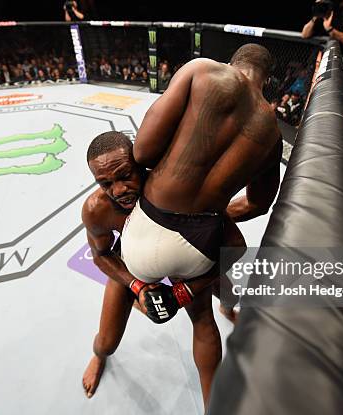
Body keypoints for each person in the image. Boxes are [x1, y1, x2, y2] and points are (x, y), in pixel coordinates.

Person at [120, 43, 282, 403]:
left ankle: (110, 337)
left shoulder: (203, 71)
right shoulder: (273, 132)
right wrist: (211, 214)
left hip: (147, 229)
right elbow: (259, 203)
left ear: (233, 61)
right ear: (267, 80)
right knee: (204, 321)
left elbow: (143, 151)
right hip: (202, 245)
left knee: (116, 268)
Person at [80, 131, 244, 401]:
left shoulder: (174, 188)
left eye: (124, 176)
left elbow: (235, 247)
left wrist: (184, 292)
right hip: (133, 263)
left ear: (140, 166)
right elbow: (101, 255)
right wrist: (138, 285)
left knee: (221, 302)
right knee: (107, 342)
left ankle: (212, 406)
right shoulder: (97, 209)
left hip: (186, 256)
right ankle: (98, 357)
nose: (118, 189)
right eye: (106, 183)